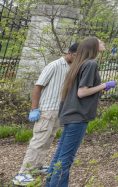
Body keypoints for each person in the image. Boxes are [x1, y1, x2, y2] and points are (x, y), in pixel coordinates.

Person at [45, 37, 116, 187]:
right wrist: (104, 85)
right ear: (94, 46)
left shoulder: (79, 63)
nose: (103, 44)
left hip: (70, 114)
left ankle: (49, 183)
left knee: (59, 156)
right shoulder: (91, 64)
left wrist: (100, 88)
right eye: (101, 42)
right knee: (66, 159)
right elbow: (82, 92)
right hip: (78, 116)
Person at [12, 43, 79, 186]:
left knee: (48, 140)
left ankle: (37, 166)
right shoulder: (54, 65)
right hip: (46, 111)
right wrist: (34, 109)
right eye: (77, 56)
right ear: (70, 53)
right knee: (38, 141)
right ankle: (23, 173)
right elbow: (38, 86)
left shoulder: (71, 68)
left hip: (59, 111)